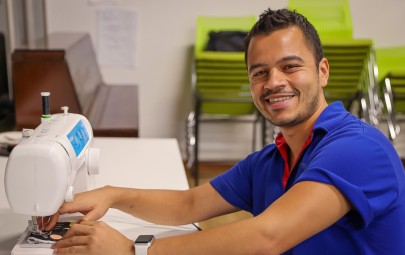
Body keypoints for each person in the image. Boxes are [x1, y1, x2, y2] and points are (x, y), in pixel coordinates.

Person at [48, 7, 405, 255]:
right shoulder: (270, 162)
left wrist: (132, 249)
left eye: (290, 66)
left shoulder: (358, 149)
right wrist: (111, 194)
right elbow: (187, 205)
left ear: (323, 71)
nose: (273, 82)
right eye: (259, 72)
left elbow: (268, 237)